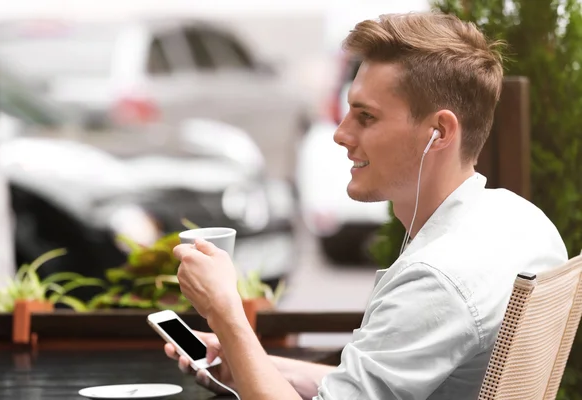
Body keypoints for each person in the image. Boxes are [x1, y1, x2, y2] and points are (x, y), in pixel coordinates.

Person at [165, 11, 569, 400]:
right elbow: (370, 384)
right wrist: (245, 360)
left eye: (366, 117)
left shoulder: (436, 280)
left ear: (439, 132)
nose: (341, 134)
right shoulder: (524, 222)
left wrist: (227, 314)